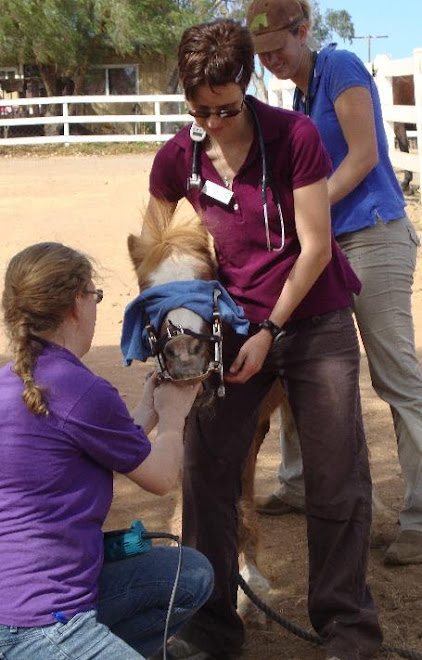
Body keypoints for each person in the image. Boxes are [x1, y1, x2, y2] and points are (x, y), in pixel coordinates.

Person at [142, 18, 383, 660]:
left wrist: (271, 329)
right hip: (234, 326)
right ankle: (210, 624)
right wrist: (168, 325)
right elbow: (157, 245)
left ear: (246, 86)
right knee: (208, 468)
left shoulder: (296, 136)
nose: (212, 124)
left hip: (313, 317)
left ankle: (348, 631)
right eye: (198, 110)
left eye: (223, 109)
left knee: (337, 477)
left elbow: (315, 246)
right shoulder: (178, 156)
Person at [247, 0, 422, 566]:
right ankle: (297, 481)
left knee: (395, 373)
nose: (271, 59)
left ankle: (421, 515)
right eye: (263, 53)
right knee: (302, 357)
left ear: (305, 30)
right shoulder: (300, 93)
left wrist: (308, 208)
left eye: (279, 46)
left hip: (371, 233)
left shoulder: (341, 66)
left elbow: (366, 154)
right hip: (330, 241)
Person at [0, 242, 214, 660]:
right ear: (77, 304)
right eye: (95, 296)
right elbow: (160, 478)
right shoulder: (82, 389)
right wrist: (173, 416)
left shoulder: (16, 381)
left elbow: (87, 446)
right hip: (44, 619)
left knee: (189, 574)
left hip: (19, 599)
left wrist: (147, 411)